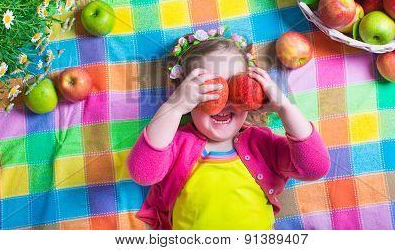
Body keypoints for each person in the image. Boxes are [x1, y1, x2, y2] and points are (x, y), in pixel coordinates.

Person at [127, 27, 330, 230]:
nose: (224, 102)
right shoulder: (177, 144)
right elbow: (143, 173)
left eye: (235, 88)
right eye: (208, 89)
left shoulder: (263, 144)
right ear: (185, 94)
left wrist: (285, 108)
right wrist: (173, 107)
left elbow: (315, 168)